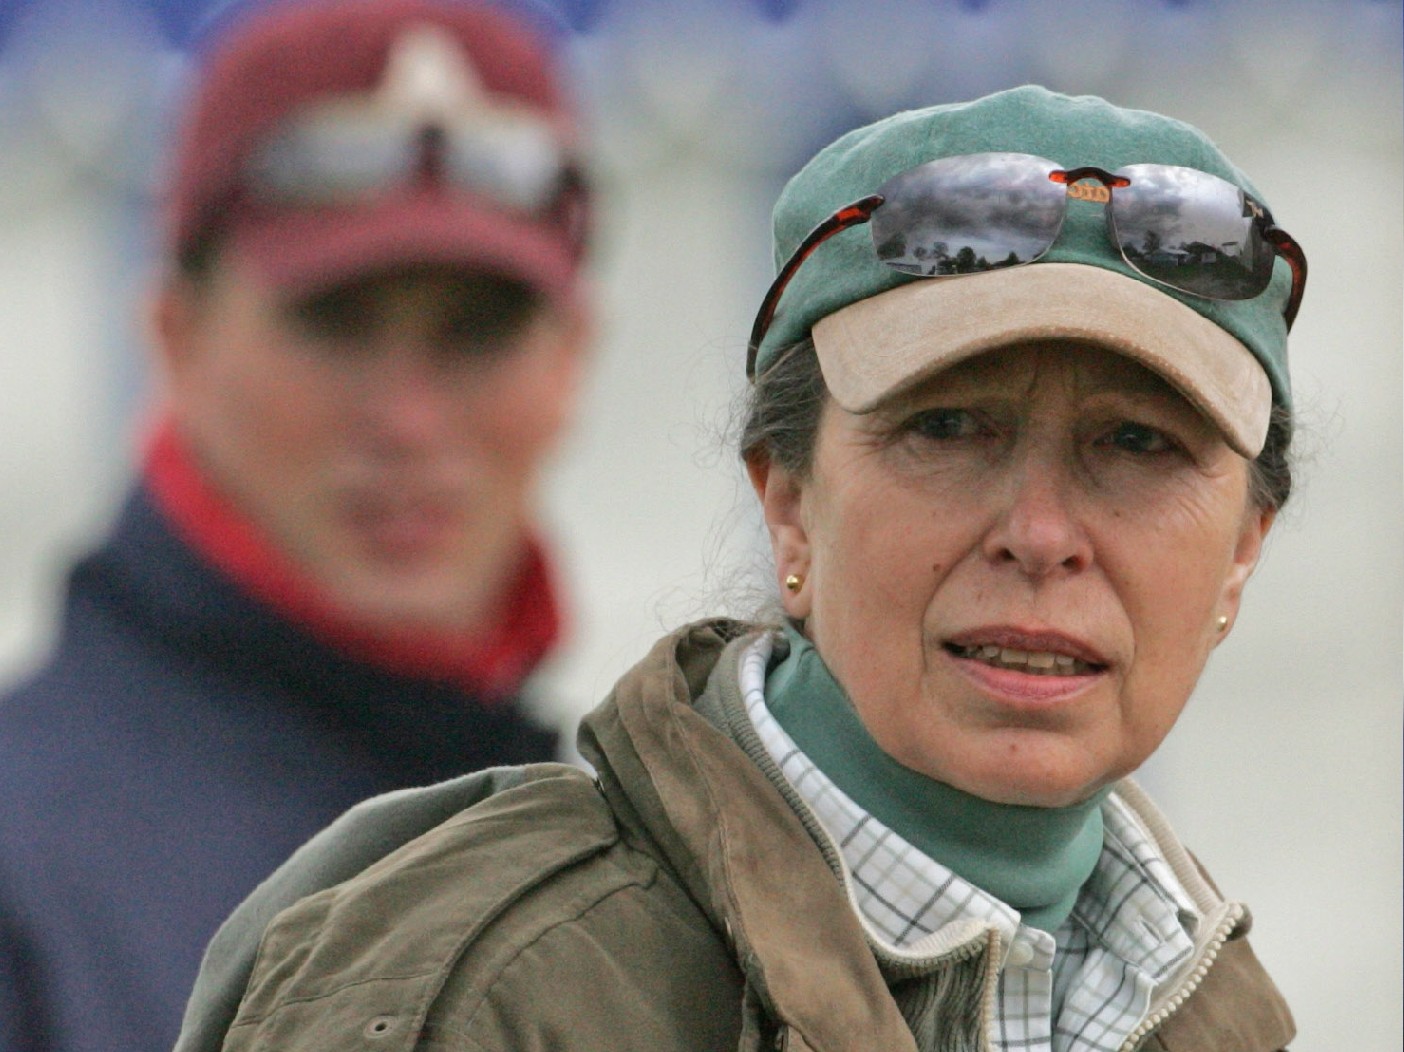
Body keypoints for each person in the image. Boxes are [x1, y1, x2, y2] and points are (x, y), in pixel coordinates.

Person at [174, 85, 1306, 1052]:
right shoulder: (485, 999)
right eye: (951, 428)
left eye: (1140, 445)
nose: (1043, 531)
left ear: (1241, 553)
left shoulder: (1198, 1002)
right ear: (788, 500)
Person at [0, 1, 593, 1050]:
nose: (409, 421)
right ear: (173, 337)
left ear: (574, 358)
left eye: (478, 328)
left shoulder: (627, 843)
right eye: (337, 320)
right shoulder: (26, 883)